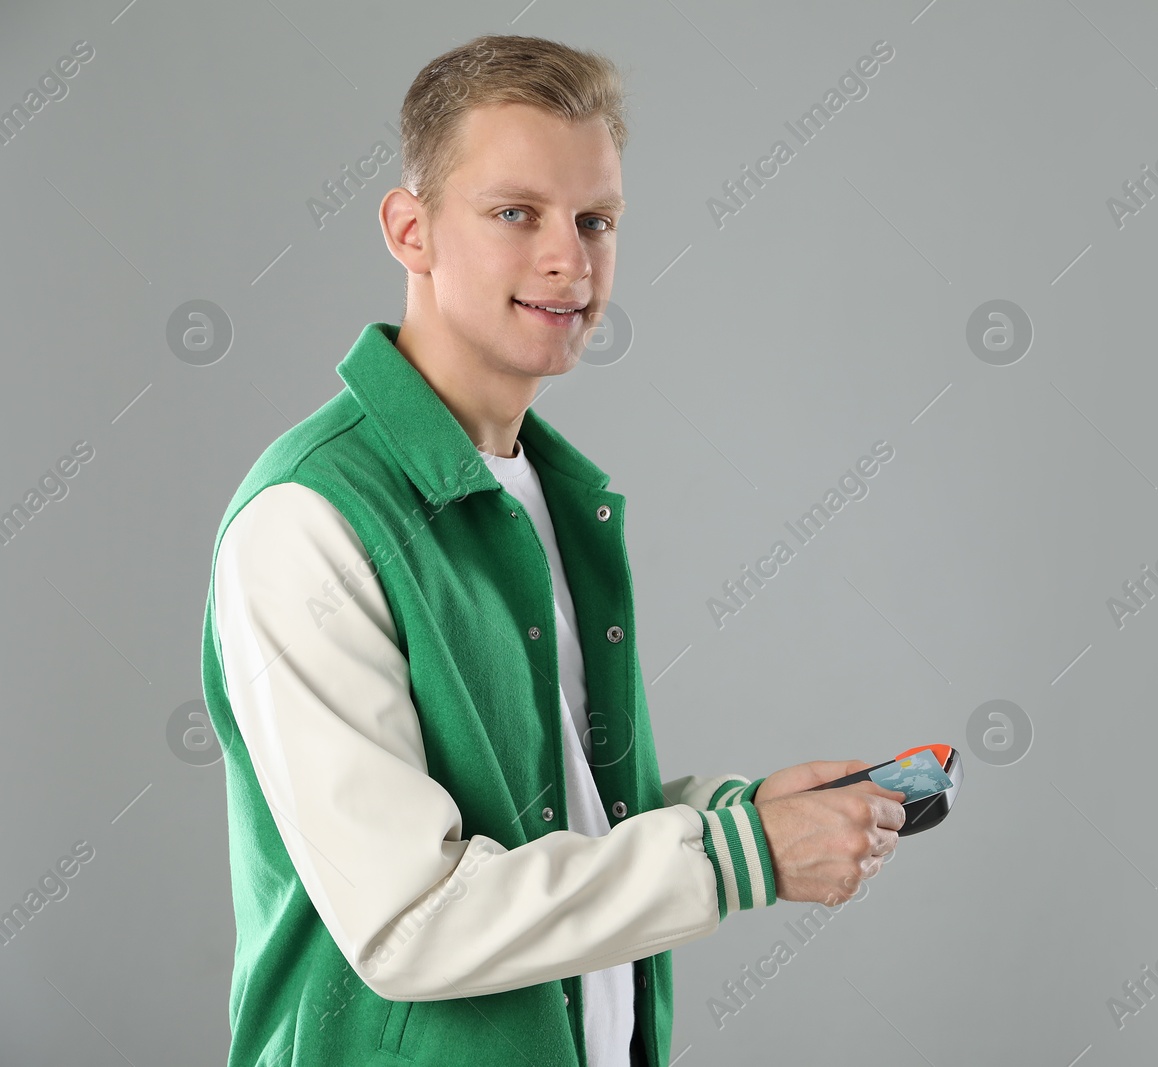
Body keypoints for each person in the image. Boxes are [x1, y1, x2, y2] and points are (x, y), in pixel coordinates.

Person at [198, 32, 906, 1067]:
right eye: (514, 213)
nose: (567, 257)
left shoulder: (553, 494)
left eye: (596, 219)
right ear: (411, 230)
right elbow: (411, 918)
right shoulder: (309, 519)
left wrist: (733, 813)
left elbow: (548, 809)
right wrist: (740, 857)